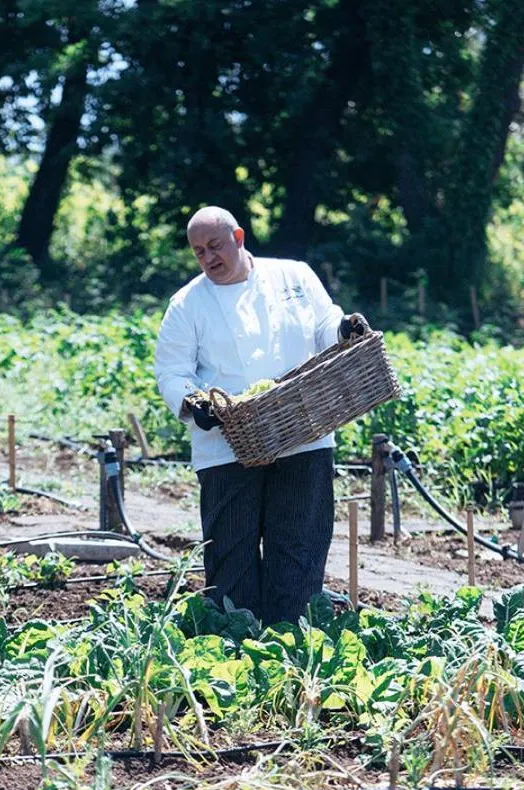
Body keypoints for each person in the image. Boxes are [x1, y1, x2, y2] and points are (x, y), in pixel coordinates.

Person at [154, 205, 369, 627]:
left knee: (300, 546)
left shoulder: (295, 276)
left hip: (303, 432)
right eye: (198, 252)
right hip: (227, 446)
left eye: (214, 246)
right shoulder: (186, 304)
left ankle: (292, 644)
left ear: (238, 237)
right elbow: (172, 371)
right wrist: (194, 402)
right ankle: (237, 648)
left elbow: (324, 323)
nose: (208, 258)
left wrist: (344, 329)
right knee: (230, 554)